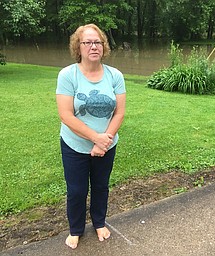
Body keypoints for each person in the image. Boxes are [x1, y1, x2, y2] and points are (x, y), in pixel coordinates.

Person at [56, 23, 126, 249]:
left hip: (106, 144)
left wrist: (104, 140)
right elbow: (66, 115)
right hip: (74, 145)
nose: (93, 46)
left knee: (100, 186)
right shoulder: (68, 75)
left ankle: (99, 223)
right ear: (79, 47)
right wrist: (95, 138)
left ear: (103, 46)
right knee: (76, 190)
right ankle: (76, 229)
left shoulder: (115, 75)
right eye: (87, 42)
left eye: (98, 42)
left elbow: (120, 112)